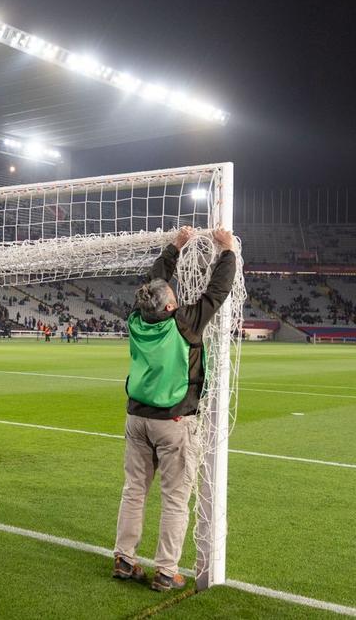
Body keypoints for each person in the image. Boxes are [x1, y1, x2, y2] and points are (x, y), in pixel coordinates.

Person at [113, 227, 237, 592]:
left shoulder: (136, 320)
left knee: (134, 490)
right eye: (174, 297)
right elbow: (218, 290)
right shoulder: (185, 323)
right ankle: (166, 570)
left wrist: (174, 248)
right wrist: (227, 250)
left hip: (137, 418)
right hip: (174, 421)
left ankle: (124, 558)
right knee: (175, 497)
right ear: (170, 306)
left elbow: (154, 280)